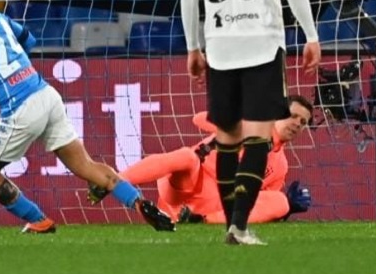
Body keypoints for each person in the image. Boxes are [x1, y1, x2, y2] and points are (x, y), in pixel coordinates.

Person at [0, 0, 175, 233]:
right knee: (86, 166)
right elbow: (29, 39)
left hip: (21, 110)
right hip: (46, 95)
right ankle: (140, 202)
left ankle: (38, 221)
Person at [179, 0, 321, 245]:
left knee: (227, 138)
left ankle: (230, 225)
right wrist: (310, 34)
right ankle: (240, 226)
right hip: (262, 42)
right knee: (258, 136)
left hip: (219, 44)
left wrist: (194, 46)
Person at [89, 96, 314, 225]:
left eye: (303, 122)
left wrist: (288, 210)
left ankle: (201, 220)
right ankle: (113, 181)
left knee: (281, 201)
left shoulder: (280, 165)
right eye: (292, 116)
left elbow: (261, 204)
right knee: (187, 156)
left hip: (212, 205)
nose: (297, 123)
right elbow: (198, 118)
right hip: (188, 185)